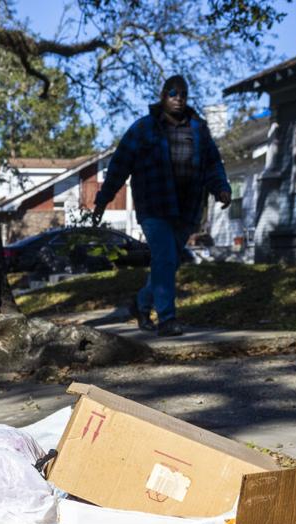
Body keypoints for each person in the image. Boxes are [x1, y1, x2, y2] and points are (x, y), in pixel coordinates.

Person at [93, 75, 231, 337]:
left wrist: (221, 188)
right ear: (162, 96)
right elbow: (119, 167)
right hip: (154, 206)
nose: (178, 98)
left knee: (166, 263)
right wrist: (103, 200)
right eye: (172, 93)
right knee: (165, 258)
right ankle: (167, 319)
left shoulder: (199, 129)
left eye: (183, 94)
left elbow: (213, 164)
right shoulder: (143, 129)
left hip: (187, 208)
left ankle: (141, 304)